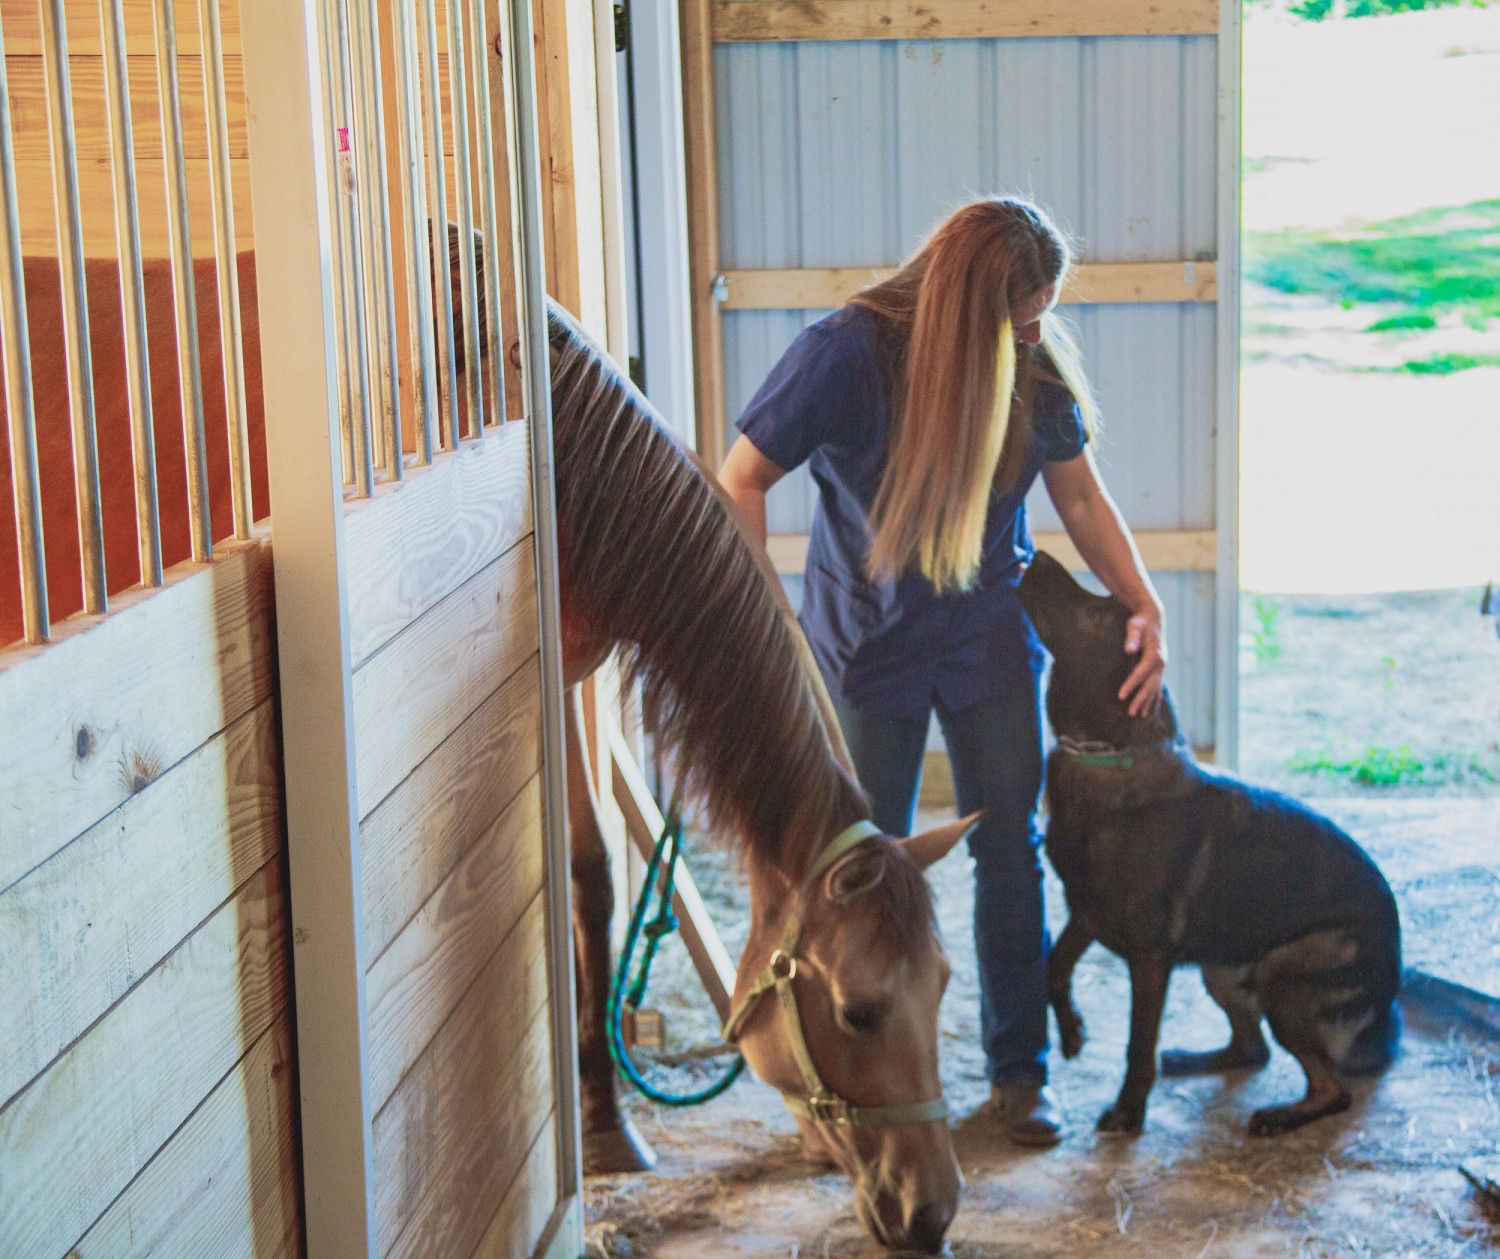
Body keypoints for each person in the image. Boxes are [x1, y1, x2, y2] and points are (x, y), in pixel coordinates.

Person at [718, 196, 1168, 1147]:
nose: (1038, 334)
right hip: (863, 647)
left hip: (986, 642)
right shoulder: (844, 354)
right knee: (851, 872)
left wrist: (1144, 598)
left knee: (1011, 849)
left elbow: (1079, 497)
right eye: (1023, 317)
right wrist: (768, 630)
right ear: (969, 312)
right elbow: (742, 477)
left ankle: (1019, 1071)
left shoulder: (1031, 373)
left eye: (1045, 313)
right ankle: (846, 1082)